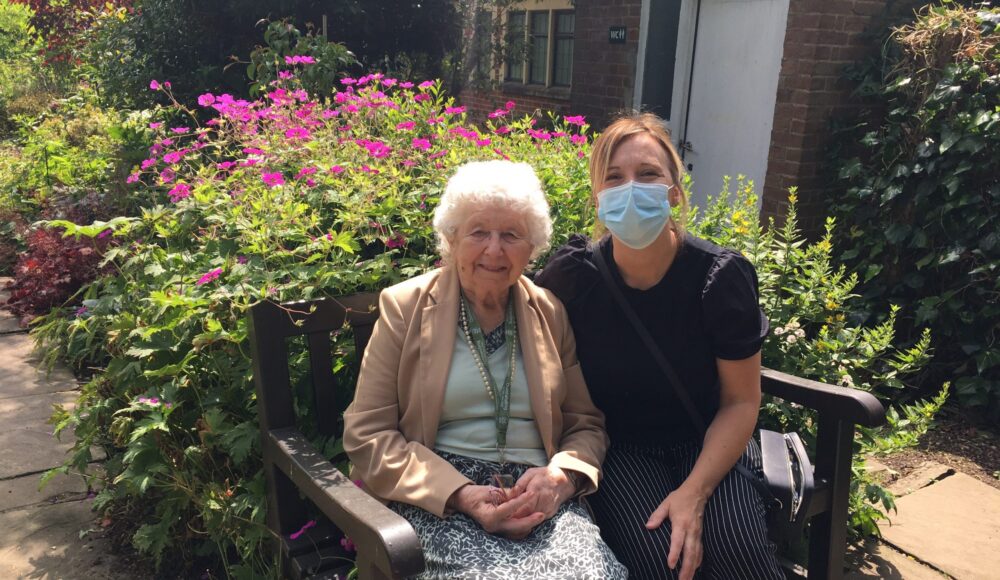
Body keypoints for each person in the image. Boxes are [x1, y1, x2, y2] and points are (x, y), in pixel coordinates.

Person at [343, 160, 627, 579]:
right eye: (478, 232)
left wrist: (561, 479)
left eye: (511, 235)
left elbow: (584, 423)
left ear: (531, 247)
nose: (494, 250)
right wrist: (460, 494)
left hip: (539, 496)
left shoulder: (549, 312)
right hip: (440, 498)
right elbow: (367, 432)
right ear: (452, 239)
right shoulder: (405, 306)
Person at [535, 113, 784, 580]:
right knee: (662, 561)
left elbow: (741, 400)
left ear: (674, 190)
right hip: (621, 447)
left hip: (706, 437)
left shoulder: (719, 277)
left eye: (648, 174)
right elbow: (510, 311)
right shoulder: (576, 277)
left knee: (738, 551)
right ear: (598, 196)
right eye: (614, 177)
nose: (631, 187)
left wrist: (694, 492)